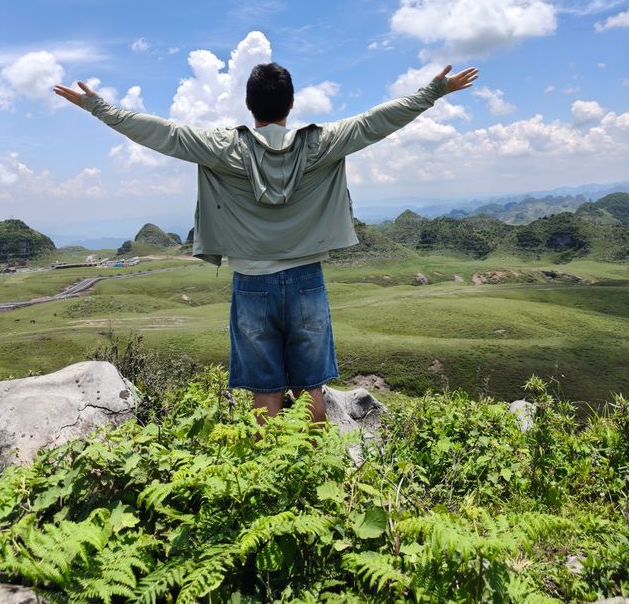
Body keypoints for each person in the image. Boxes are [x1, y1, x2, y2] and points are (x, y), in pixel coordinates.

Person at [54, 61, 478, 425]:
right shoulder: (321, 143)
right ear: (290, 104)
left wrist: (97, 106)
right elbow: (376, 122)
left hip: (251, 281)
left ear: (249, 105)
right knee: (312, 388)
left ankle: (269, 477)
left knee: (265, 393)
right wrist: (435, 91)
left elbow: (161, 132)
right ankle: (314, 478)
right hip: (307, 279)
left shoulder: (223, 146)